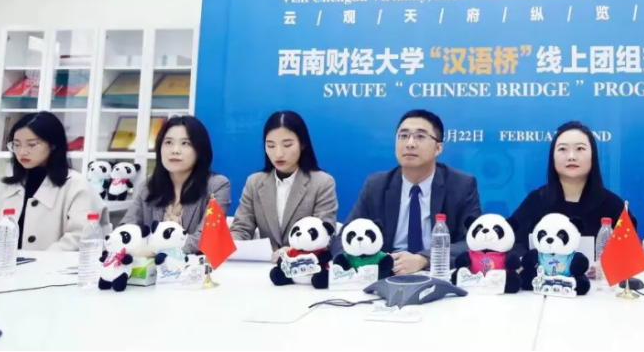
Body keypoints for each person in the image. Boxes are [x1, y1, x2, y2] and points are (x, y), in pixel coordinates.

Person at [335, 109, 482, 275]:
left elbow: (474, 241)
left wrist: (423, 259)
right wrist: (370, 263)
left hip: (436, 272)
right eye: (403, 136)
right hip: (386, 273)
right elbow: (343, 238)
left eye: (420, 136)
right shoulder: (376, 185)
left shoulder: (461, 185)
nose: (410, 143)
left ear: (438, 148)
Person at [0, 112, 110, 251]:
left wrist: (42, 260)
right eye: (16, 144)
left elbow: (79, 237)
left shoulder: (76, 185)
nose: (22, 152)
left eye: (32, 145)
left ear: (53, 145)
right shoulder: (9, 184)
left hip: (52, 264)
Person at [230, 111, 338, 261]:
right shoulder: (254, 182)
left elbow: (326, 235)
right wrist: (231, 243)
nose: (278, 154)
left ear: (303, 144)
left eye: (287, 145)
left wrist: (295, 252)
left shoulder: (322, 183)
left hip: (304, 267)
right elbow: (241, 228)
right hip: (263, 267)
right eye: (270, 145)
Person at [510, 121, 627, 255]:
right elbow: (513, 242)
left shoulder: (613, 205)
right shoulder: (536, 200)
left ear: (593, 155)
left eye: (580, 149)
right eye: (562, 149)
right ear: (552, 157)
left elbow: (628, 253)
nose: (571, 157)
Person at [122, 115, 230, 253]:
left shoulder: (216, 186)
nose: (175, 150)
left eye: (185, 143)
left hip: (192, 265)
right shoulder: (148, 186)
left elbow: (206, 238)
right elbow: (126, 228)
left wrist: (155, 251)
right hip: (148, 265)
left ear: (200, 150)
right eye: (168, 142)